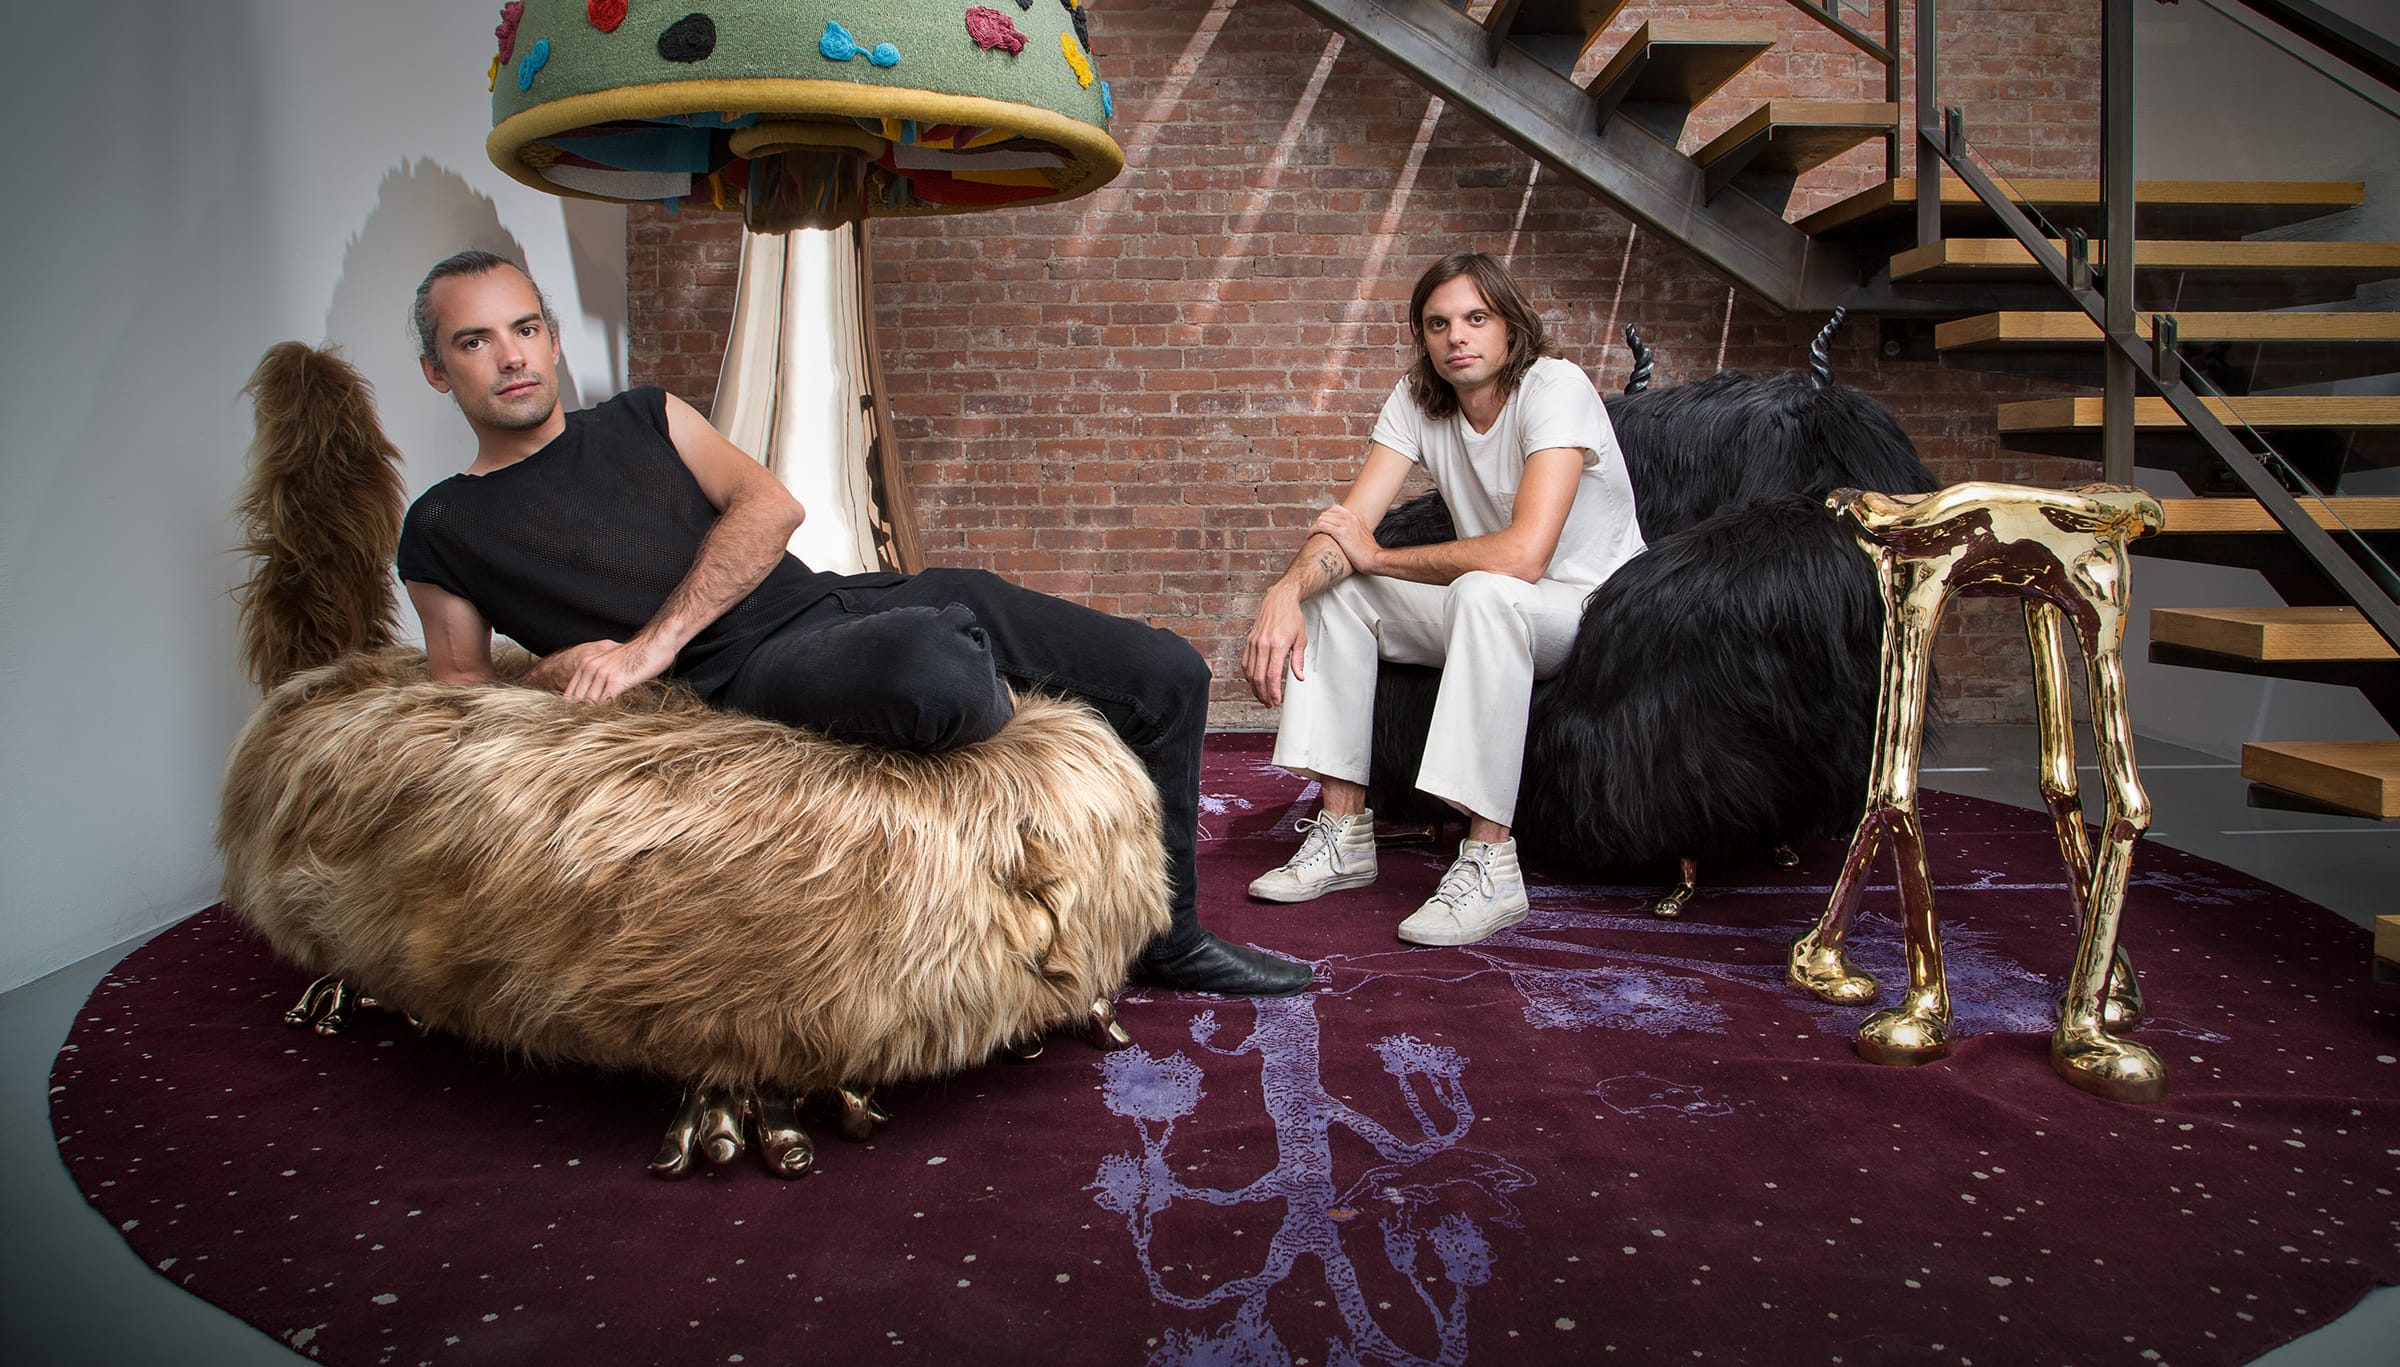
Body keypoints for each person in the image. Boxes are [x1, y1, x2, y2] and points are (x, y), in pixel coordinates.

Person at [397, 249, 1309, 998]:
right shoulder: (444, 526)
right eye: (475, 342)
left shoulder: (646, 414)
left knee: (1166, 669)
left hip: (845, 599)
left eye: (525, 329)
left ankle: (1173, 935)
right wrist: (551, 671)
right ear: (440, 370)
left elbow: (769, 509)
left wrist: (648, 643)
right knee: (935, 669)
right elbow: (464, 695)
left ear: (554, 341)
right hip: (744, 675)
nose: (510, 356)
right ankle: (978, 720)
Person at [1240, 252, 1645, 946]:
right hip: (1489, 607)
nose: (1457, 336)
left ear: (1511, 327)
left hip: (1593, 612)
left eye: (1475, 318)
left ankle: (1490, 864)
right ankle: (1343, 834)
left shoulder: (1557, 387)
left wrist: (1381, 556)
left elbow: (1525, 555)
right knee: (1340, 593)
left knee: (1485, 589)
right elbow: (1348, 527)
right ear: (1424, 337)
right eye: (1438, 323)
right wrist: (1285, 590)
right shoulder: (1417, 398)